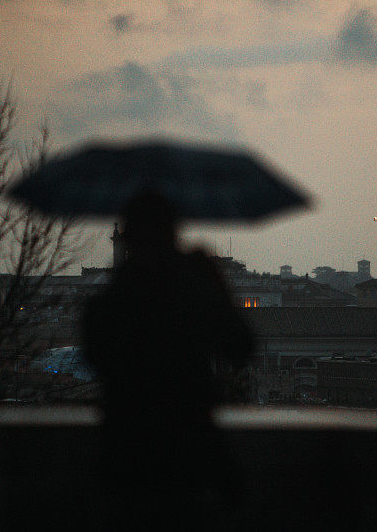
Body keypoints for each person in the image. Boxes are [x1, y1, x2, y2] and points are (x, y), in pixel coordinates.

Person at [83, 192, 254, 529]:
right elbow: (241, 348)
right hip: (190, 459)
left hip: (126, 459)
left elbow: (95, 358)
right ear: (175, 234)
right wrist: (214, 286)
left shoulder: (109, 301)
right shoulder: (194, 291)